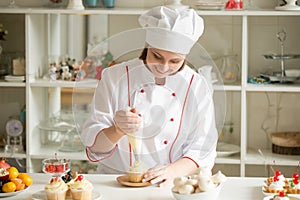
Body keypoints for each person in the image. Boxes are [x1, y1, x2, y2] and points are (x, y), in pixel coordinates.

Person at [80, 5, 218, 187]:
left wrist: (171, 172)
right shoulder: (113, 77)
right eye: (157, 56)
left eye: (175, 61)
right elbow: (94, 148)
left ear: (185, 56)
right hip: (114, 184)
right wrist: (117, 130)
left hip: (169, 184)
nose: (164, 67)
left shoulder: (197, 85)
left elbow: (202, 149)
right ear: (147, 46)